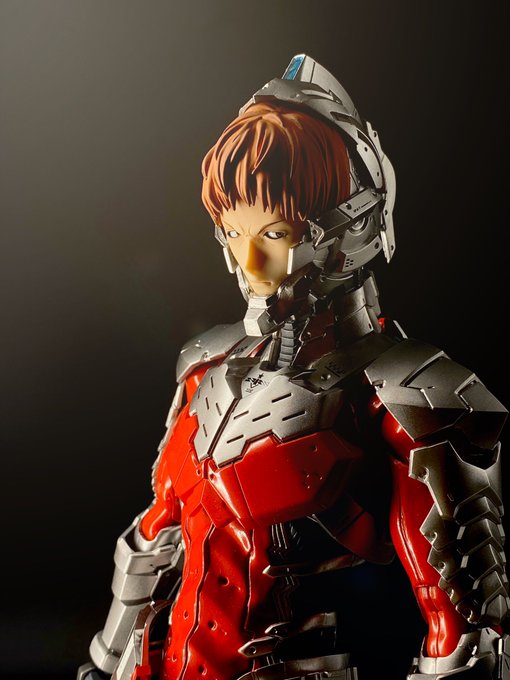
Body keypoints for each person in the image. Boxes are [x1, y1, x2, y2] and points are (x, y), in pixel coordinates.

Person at [78, 54, 509, 680]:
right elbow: (157, 540)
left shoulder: (408, 395)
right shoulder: (207, 369)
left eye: (275, 232)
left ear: (350, 225)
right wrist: (105, 663)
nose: (249, 262)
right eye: (233, 232)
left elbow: (466, 632)